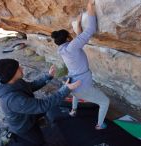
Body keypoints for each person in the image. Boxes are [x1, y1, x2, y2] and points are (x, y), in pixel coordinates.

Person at [0, 58, 81, 146]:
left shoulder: (9, 80)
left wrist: (48, 76)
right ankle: (11, 136)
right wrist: (66, 89)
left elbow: (30, 86)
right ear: (12, 73)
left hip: (28, 113)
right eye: (18, 67)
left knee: (47, 109)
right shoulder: (12, 100)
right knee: (38, 141)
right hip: (23, 126)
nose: (22, 68)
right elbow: (42, 105)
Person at [51, 0, 110, 130]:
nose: (72, 36)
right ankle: (100, 125)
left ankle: (73, 110)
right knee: (105, 102)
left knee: (75, 94)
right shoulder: (71, 46)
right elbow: (90, 29)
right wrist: (90, 7)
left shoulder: (62, 48)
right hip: (82, 85)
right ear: (67, 39)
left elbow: (77, 40)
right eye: (70, 35)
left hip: (71, 82)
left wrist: (77, 25)